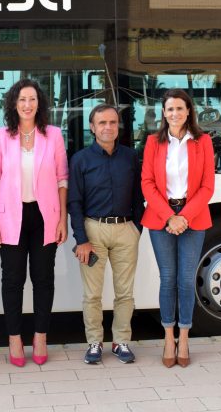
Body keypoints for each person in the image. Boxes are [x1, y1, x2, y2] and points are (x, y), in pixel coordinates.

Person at [0, 79, 69, 367]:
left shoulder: (54, 135)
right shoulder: (0, 136)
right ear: (13, 103)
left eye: (32, 99)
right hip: (10, 218)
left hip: (45, 217)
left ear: (39, 103)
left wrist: (63, 220)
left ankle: (41, 336)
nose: (27, 104)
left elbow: (62, 180)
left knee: (43, 280)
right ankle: (14, 339)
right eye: (22, 99)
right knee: (12, 281)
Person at [141, 89, 215, 368]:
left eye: (180, 109)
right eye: (170, 109)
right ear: (163, 113)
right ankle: (167, 336)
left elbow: (208, 185)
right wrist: (169, 216)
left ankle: (184, 337)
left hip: (193, 216)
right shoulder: (152, 142)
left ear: (188, 112)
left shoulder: (203, 142)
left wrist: (183, 216)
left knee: (186, 280)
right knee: (168, 278)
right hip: (161, 217)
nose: (175, 114)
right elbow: (147, 182)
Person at [67, 104, 144, 365]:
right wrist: (81, 239)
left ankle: (121, 341)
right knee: (92, 294)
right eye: (102, 123)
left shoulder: (131, 157)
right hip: (93, 231)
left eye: (112, 122)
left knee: (125, 292)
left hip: (126, 230)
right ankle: (94, 343)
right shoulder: (80, 160)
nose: (108, 127)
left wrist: (137, 228)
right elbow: (74, 202)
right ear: (92, 127)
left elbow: (138, 196)